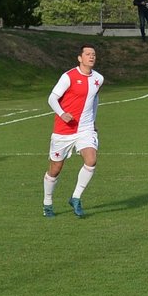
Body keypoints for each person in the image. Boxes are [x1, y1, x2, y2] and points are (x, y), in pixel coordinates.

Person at [42, 44, 104, 218]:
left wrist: (93, 120)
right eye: (88, 54)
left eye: (94, 54)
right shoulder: (68, 76)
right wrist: (62, 114)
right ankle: (47, 203)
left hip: (85, 129)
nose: (91, 57)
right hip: (63, 130)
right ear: (80, 58)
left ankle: (76, 197)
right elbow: (52, 98)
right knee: (55, 169)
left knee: (91, 160)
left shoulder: (98, 78)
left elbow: (94, 99)